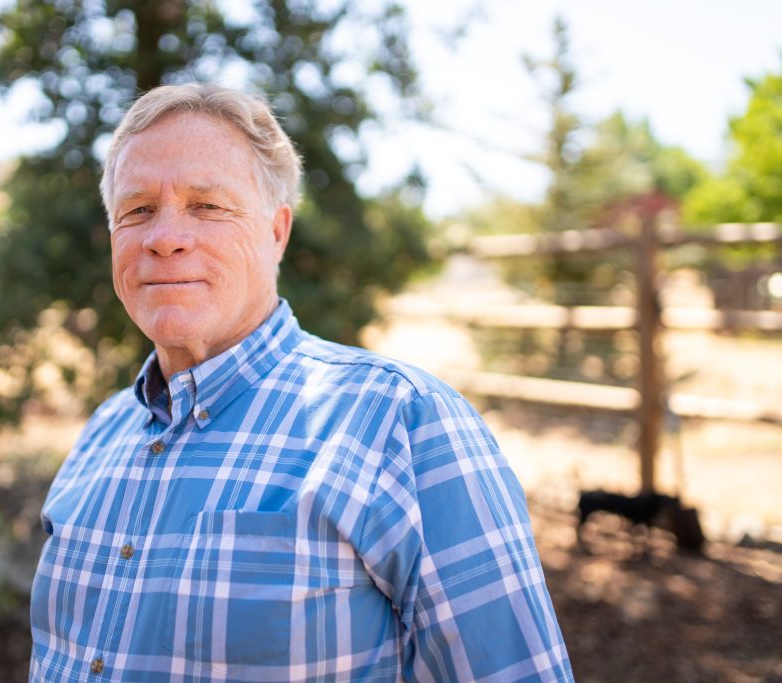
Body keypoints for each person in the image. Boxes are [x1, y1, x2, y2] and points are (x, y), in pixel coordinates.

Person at [30, 83, 573, 682]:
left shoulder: (402, 422)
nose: (164, 236)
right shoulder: (102, 432)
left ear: (277, 232)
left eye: (207, 205)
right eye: (136, 210)